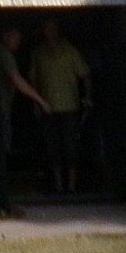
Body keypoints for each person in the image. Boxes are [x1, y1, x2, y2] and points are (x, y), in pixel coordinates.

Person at [27, 17, 91, 194]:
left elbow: (84, 74)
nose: (50, 32)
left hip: (69, 105)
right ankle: (58, 186)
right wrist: (36, 103)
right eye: (46, 29)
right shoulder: (38, 54)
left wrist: (87, 98)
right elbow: (33, 81)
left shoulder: (70, 50)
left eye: (52, 28)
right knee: (52, 147)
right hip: (48, 107)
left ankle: (71, 186)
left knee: (71, 147)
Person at [0, 25, 48, 165]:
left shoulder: (2, 54)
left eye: (19, 38)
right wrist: (41, 100)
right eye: (15, 38)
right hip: (0, 111)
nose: (18, 42)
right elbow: (17, 80)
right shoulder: (5, 55)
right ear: (5, 37)